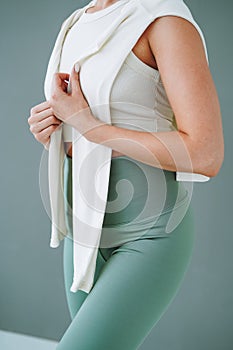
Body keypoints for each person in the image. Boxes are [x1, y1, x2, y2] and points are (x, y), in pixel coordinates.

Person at [28, 0, 224, 349]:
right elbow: (84, 126)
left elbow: (206, 153)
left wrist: (89, 126)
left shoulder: (163, 20)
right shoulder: (77, 22)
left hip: (150, 232)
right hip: (83, 229)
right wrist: (56, 134)